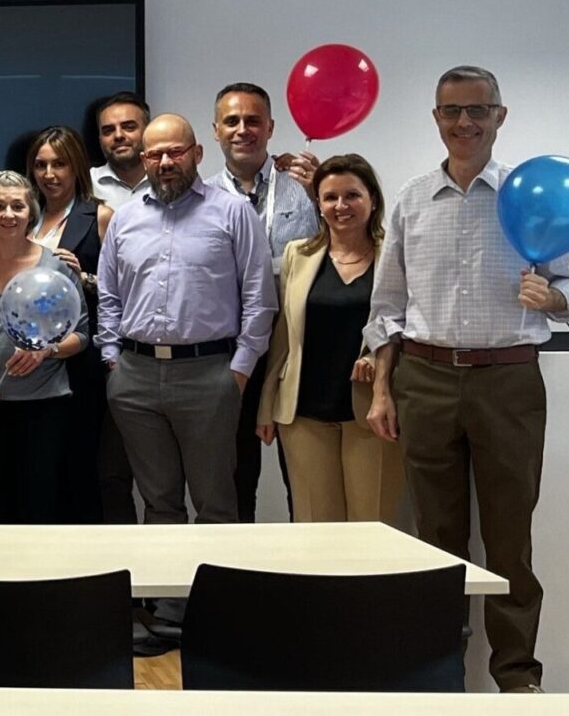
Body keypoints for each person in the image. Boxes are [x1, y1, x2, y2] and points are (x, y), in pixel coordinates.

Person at [364, 66, 569, 694]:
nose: (464, 122)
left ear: (499, 116)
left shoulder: (532, 196)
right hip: (425, 379)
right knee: (435, 539)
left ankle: (517, 677)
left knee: (510, 538)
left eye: (478, 110)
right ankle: (439, 675)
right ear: (436, 118)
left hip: (508, 382)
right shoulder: (411, 199)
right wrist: (382, 389)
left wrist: (554, 300)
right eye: (452, 111)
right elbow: (386, 307)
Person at [97, 112, 273, 527]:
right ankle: (166, 576)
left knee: (215, 503)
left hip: (209, 375)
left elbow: (259, 298)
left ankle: (213, 575)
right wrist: (112, 358)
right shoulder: (124, 219)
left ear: (197, 153)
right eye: (154, 155)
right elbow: (109, 295)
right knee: (158, 503)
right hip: (135, 376)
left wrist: (239, 371)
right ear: (144, 159)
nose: (165, 163)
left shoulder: (233, 212)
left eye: (175, 152)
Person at [256, 154, 401, 524]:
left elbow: (405, 323)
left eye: (352, 195)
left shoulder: (393, 255)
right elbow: (283, 336)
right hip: (304, 412)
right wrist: (267, 404)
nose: (341, 206)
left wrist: (375, 357)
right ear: (318, 204)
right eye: (330, 197)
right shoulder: (298, 254)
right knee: (314, 527)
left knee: (372, 524)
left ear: (372, 200)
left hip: (370, 410)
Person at [0, 172, 87, 524]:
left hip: (44, 403)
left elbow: (82, 334)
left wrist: (46, 350)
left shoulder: (56, 267)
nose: (8, 214)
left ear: (31, 212)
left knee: (40, 506)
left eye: (17, 206)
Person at [209, 82, 319, 522]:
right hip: (231, 348)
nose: (243, 130)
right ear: (216, 130)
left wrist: (320, 192)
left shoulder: (306, 187)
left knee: (303, 473)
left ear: (270, 127)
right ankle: (237, 562)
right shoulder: (202, 198)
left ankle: (307, 563)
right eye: (231, 121)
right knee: (235, 472)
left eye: (253, 121)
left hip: (296, 346)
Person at [27, 125, 129, 524]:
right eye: (40, 165)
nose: (49, 174)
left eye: (59, 164)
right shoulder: (25, 214)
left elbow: (126, 290)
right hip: (29, 359)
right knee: (40, 468)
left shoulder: (100, 215)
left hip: (81, 358)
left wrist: (84, 276)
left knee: (82, 463)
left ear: (77, 167)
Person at [87, 92, 151, 210]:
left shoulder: (167, 180)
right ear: (100, 139)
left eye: (129, 127)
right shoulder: (85, 185)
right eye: (108, 131)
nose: (118, 135)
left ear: (148, 131)